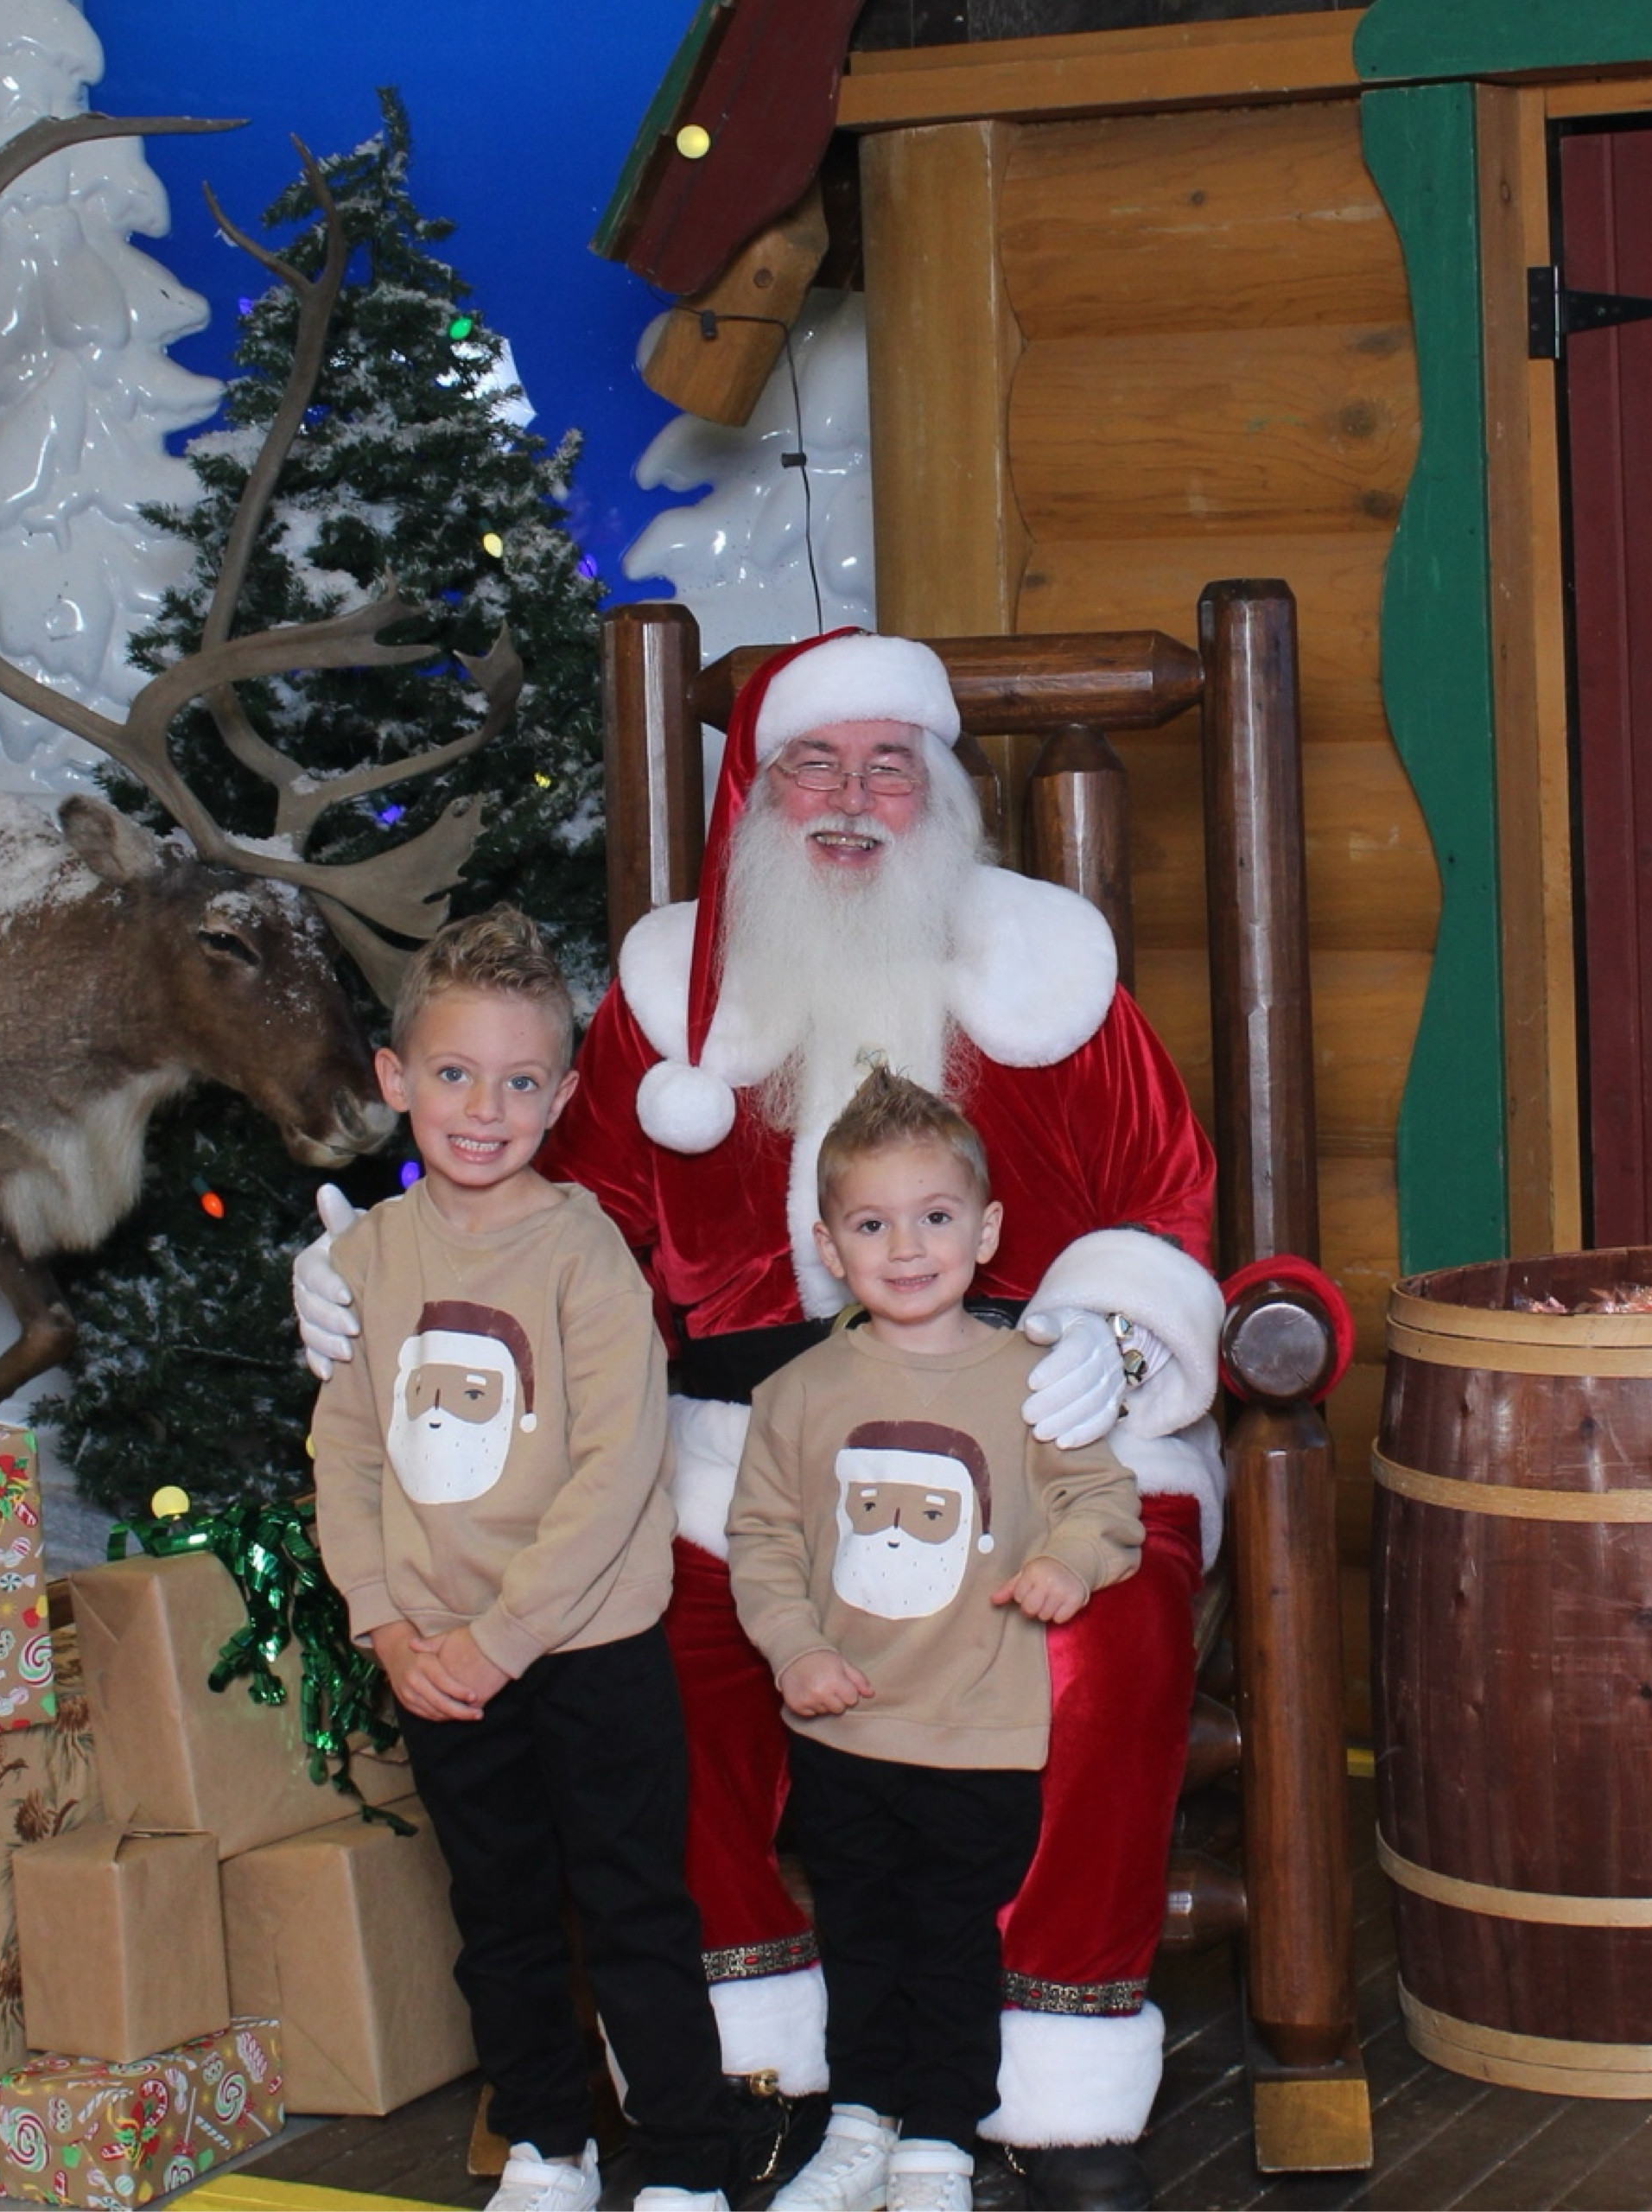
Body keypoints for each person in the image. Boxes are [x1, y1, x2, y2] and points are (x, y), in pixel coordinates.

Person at [297, 631, 1227, 2212]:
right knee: (639, 1650)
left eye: (889, 766)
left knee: (1096, 1637)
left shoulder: (1054, 990)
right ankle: (750, 2063)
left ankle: (1049, 2070)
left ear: (939, 792)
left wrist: (1121, 1345)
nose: (853, 801)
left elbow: (1165, 1203)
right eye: (815, 763)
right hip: (740, 1454)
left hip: (1032, 1432)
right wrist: (361, 1288)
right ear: (757, 791)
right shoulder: (674, 1010)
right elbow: (534, 1223)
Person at [308, 908, 758, 2212]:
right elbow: (346, 1455)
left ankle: (684, 2160)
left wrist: (503, 1641)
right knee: (498, 1917)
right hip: (439, 1657)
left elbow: (617, 1472)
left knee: (631, 1907)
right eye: (453, 1074)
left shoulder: (584, 1256)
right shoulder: (370, 1260)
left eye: (518, 1081)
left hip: (583, 1648)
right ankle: (548, 2146)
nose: (484, 1107)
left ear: (562, 1097)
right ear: (397, 1082)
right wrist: (390, 1626)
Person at [728, 1069, 1147, 2212]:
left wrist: (1069, 1560)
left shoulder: (1028, 1385)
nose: (906, 1246)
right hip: (844, 1723)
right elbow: (760, 1540)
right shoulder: (799, 1393)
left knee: (953, 1944)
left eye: (935, 1216)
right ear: (828, 1242)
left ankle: (942, 2145)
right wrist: (795, 1647)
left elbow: (1105, 1503)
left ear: (986, 1228)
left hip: (979, 1729)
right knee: (859, 1937)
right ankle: (861, 2123)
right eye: (872, 1223)